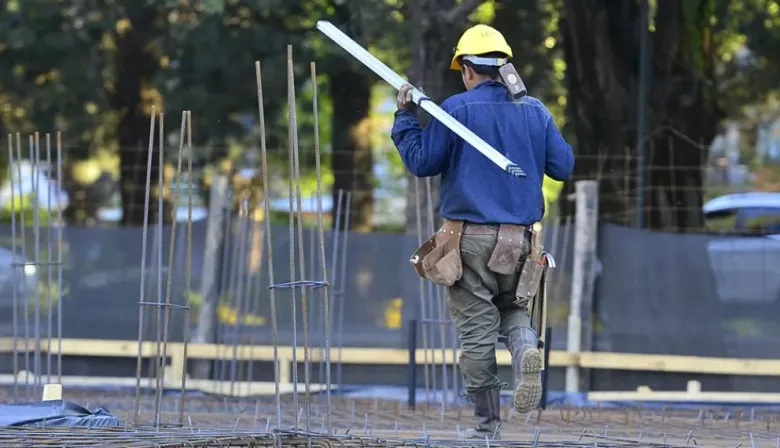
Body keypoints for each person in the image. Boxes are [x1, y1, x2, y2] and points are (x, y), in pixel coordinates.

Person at [390, 24, 574, 438]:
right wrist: (529, 125)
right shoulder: (536, 110)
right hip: (522, 242)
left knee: (476, 330)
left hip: (467, 241)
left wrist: (406, 117)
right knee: (513, 309)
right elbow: (563, 167)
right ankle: (526, 348)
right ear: (505, 67)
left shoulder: (455, 110)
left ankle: (487, 426)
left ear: (468, 69)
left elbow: (422, 162)